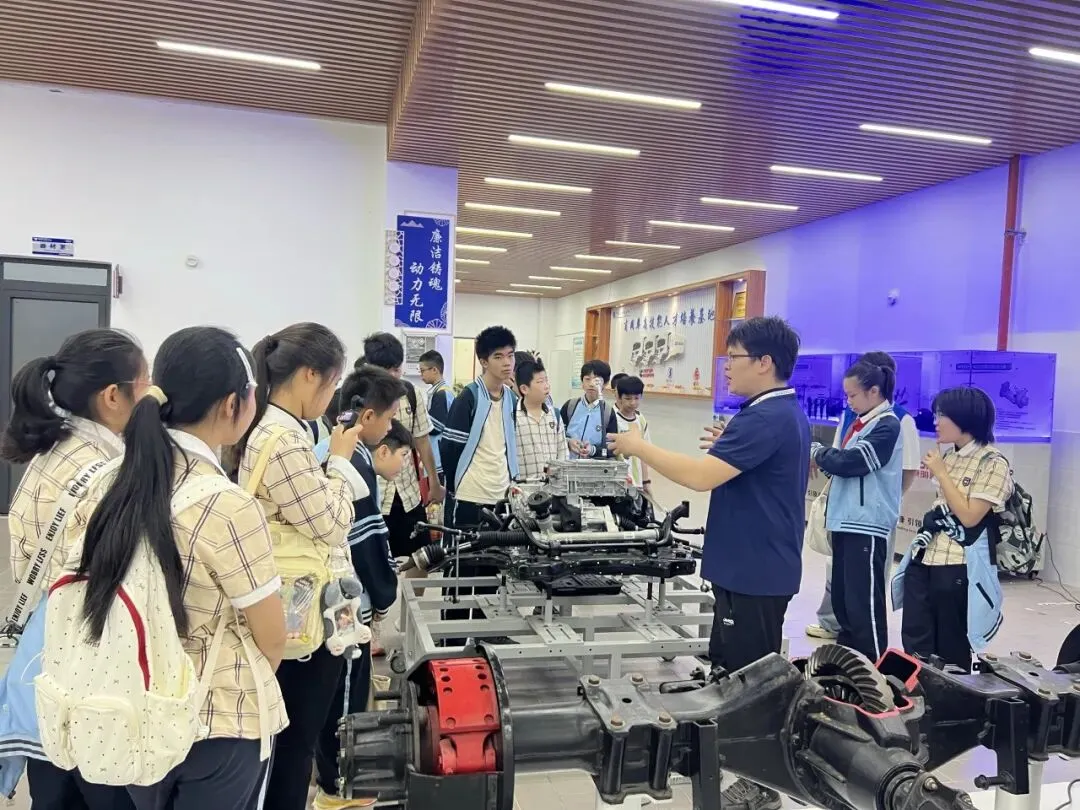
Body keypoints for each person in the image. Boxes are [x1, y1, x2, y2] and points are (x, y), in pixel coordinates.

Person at [72, 326, 288, 809]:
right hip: (219, 722)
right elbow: (272, 638)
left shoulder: (106, 482)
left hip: (131, 710)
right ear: (232, 405)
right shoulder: (228, 505)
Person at [607, 315, 808, 810]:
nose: (726, 369)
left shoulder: (766, 417)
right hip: (750, 566)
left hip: (755, 571)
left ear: (764, 363)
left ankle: (762, 785)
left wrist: (638, 447)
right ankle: (737, 767)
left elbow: (699, 477)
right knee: (733, 674)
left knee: (750, 684)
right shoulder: (770, 413)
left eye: (733, 359)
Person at [0, 329, 146, 810]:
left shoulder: (51, 453)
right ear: (113, 396)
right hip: (97, 680)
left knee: (52, 791)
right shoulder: (111, 472)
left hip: (48, 668)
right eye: (145, 383)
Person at [233, 323, 366, 810]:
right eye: (332, 383)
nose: (331, 396)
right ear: (310, 375)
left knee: (286, 744)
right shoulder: (284, 438)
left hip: (285, 606)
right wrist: (341, 462)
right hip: (299, 619)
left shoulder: (268, 426)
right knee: (294, 745)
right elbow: (331, 522)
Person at [313, 367, 408, 810]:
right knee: (347, 695)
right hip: (345, 602)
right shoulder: (356, 464)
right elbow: (367, 545)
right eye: (389, 418)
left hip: (321, 597)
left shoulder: (327, 447)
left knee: (330, 693)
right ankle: (340, 789)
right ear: (368, 416)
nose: (390, 427)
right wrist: (385, 595)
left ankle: (332, 776)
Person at [895, 387, 1012, 672]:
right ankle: (916, 689)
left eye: (942, 415)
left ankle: (950, 695)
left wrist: (941, 473)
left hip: (959, 563)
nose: (936, 422)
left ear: (965, 419)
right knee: (916, 636)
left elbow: (970, 517)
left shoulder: (992, 462)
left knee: (951, 644)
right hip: (926, 555)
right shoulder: (948, 456)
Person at [806, 351, 921, 641]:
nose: (848, 401)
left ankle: (871, 660)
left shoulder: (889, 424)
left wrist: (817, 452)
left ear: (874, 390)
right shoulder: (861, 420)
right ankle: (847, 653)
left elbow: (851, 462)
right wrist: (823, 456)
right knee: (844, 598)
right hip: (845, 519)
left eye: (852, 395)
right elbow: (839, 461)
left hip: (867, 522)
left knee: (864, 604)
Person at [440, 326, 519, 638]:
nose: (507, 362)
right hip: (469, 497)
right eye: (498, 356)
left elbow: (507, 444)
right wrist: (456, 486)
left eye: (510, 355)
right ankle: (452, 637)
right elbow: (449, 447)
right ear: (484, 361)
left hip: (500, 498)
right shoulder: (469, 397)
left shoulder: (510, 398)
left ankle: (485, 634)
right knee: (462, 570)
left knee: (493, 570)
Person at [360, 333, 444, 560]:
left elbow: (422, 440)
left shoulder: (411, 394)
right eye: (384, 370)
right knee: (376, 564)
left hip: (409, 494)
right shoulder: (358, 397)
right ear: (369, 367)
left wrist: (434, 482)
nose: (391, 376)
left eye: (396, 370)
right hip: (373, 498)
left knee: (421, 560)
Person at [514, 357, 567, 480]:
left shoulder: (555, 414)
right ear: (524, 389)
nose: (547, 386)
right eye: (540, 382)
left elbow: (563, 452)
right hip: (523, 486)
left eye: (546, 380)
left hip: (552, 486)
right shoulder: (513, 416)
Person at [561, 360, 612, 459]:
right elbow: (556, 435)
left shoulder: (608, 412)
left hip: (594, 466)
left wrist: (592, 450)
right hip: (569, 464)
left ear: (605, 383)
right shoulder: (570, 406)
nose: (591, 384)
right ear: (582, 382)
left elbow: (612, 447)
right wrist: (568, 442)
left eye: (596, 380)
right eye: (587, 379)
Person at [611, 375, 652, 492]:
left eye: (636, 398)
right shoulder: (612, 419)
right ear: (619, 397)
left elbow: (645, 453)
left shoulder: (641, 419)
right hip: (618, 483)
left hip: (637, 483)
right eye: (628, 399)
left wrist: (646, 482)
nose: (633, 403)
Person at [419, 349, 454, 483]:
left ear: (434, 370)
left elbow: (435, 427)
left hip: (439, 456)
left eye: (422, 371)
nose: (421, 375)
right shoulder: (440, 391)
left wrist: (418, 424)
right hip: (438, 454)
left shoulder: (441, 393)